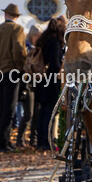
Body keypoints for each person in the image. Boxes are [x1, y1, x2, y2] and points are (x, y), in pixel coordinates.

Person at [0, 3, 27, 153]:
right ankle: (4, 142)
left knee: (2, 107)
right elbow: (18, 49)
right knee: (10, 108)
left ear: (6, 14)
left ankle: (3, 141)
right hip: (12, 71)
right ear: (16, 17)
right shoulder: (17, 29)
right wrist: (20, 67)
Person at [34, 16, 65, 151]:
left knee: (43, 110)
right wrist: (63, 71)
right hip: (51, 80)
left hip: (42, 80)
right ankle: (46, 141)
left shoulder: (44, 40)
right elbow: (55, 63)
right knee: (50, 111)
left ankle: (40, 140)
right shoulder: (55, 42)